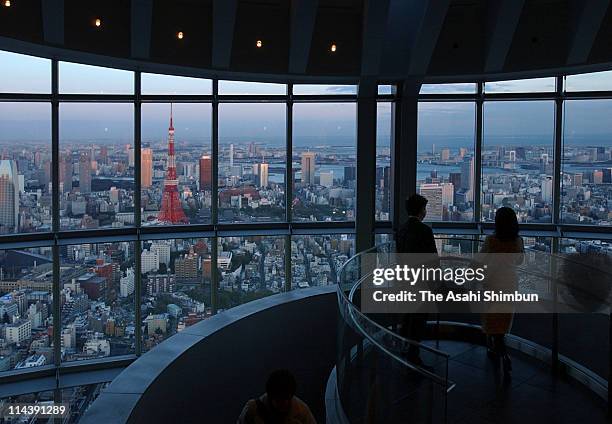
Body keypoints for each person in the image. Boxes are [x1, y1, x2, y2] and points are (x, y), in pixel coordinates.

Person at [479, 207, 524, 379]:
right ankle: (499, 351)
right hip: (510, 284)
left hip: (492, 283)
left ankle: (501, 353)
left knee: (492, 320)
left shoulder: (491, 240)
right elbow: (520, 261)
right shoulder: (518, 241)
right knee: (502, 321)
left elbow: (480, 260)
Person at [395, 194, 438, 365]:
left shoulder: (401, 229)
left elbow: (399, 257)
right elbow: (433, 259)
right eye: (425, 208)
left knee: (408, 316)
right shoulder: (425, 231)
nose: (426, 211)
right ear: (421, 211)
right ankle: (414, 355)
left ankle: (405, 348)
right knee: (419, 319)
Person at [237, 369, 316, 424]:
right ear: (271, 396)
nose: (285, 403)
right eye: (280, 399)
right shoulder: (252, 410)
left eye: (287, 398)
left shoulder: (301, 412)